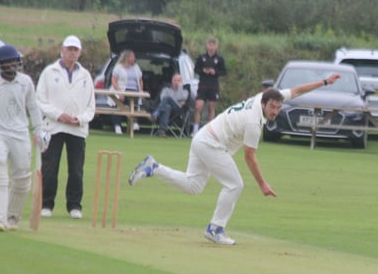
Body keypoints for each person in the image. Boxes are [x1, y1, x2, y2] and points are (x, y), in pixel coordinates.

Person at [128, 72, 342, 246]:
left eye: (278, 107)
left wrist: (324, 82)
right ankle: (215, 229)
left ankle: (153, 168)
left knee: (193, 186)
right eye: (272, 108)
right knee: (235, 185)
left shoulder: (265, 98)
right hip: (211, 143)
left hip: (203, 138)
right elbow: (250, 157)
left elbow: (296, 91)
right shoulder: (253, 122)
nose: (275, 111)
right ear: (264, 103)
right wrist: (263, 184)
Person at [36, 35, 96, 219]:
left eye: (75, 50)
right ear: (62, 50)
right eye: (69, 49)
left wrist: (79, 119)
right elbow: (40, 100)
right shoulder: (49, 72)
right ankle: (46, 205)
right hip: (53, 127)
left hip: (77, 129)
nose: (72, 53)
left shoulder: (85, 75)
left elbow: (91, 107)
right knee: (50, 167)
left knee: (76, 169)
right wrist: (58, 114)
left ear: (79, 52)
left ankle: (74, 206)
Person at [0, 45, 48, 231]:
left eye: (14, 61)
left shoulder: (25, 82)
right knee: (0, 167)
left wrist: (39, 131)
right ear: (1, 64)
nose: (12, 65)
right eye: (8, 62)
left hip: (20, 133)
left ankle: (12, 217)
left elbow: (33, 107)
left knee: (22, 177)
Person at [192, 37, 227, 135]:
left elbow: (223, 71)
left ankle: (208, 132)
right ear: (207, 46)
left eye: (213, 45)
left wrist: (214, 72)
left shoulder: (219, 59)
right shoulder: (201, 57)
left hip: (213, 86)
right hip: (202, 85)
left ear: (216, 46)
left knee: (211, 108)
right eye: (209, 44)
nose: (211, 47)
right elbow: (196, 70)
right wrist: (203, 70)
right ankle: (195, 129)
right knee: (198, 106)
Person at [110, 49, 144, 135]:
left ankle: (134, 122)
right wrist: (119, 92)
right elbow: (114, 81)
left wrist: (141, 91)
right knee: (118, 105)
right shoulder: (118, 67)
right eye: (133, 56)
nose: (134, 58)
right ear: (127, 57)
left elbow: (140, 80)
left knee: (134, 103)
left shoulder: (136, 67)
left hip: (134, 91)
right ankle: (117, 126)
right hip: (121, 89)